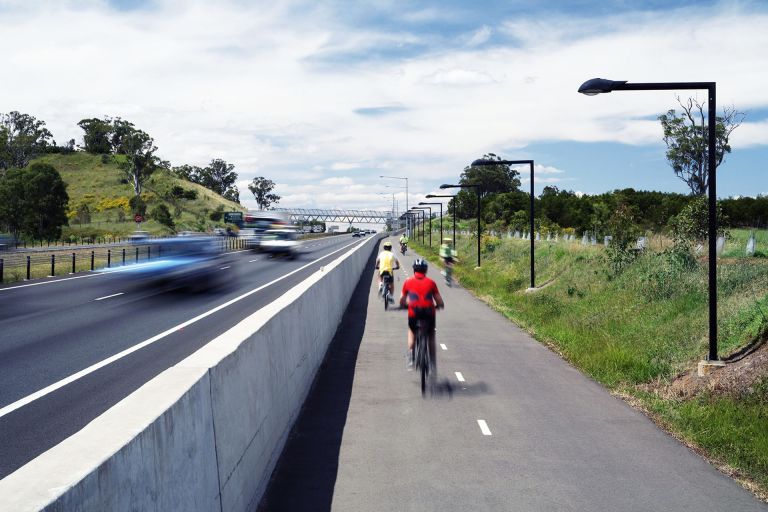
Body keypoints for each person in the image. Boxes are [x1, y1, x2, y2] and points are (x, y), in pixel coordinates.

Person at [399, 258, 444, 370]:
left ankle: (411, 356)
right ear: (425, 270)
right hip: (429, 313)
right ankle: (432, 362)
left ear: (414, 270)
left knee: (411, 331)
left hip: (414, 313)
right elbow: (438, 300)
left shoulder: (408, 282)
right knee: (431, 336)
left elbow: (402, 299)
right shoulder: (431, 283)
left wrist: (404, 305)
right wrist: (439, 306)